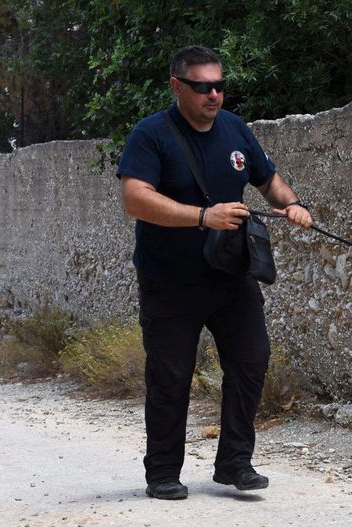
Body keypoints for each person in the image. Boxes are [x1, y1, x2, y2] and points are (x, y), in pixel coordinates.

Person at [117, 45, 312, 500]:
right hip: (170, 281)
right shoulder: (151, 135)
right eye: (202, 87)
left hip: (230, 274)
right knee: (170, 375)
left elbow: (269, 179)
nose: (213, 95)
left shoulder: (235, 129)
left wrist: (293, 203)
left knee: (251, 360)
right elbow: (135, 198)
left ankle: (235, 464)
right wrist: (203, 216)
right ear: (177, 86)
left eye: (219, 86)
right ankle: (163, 472)